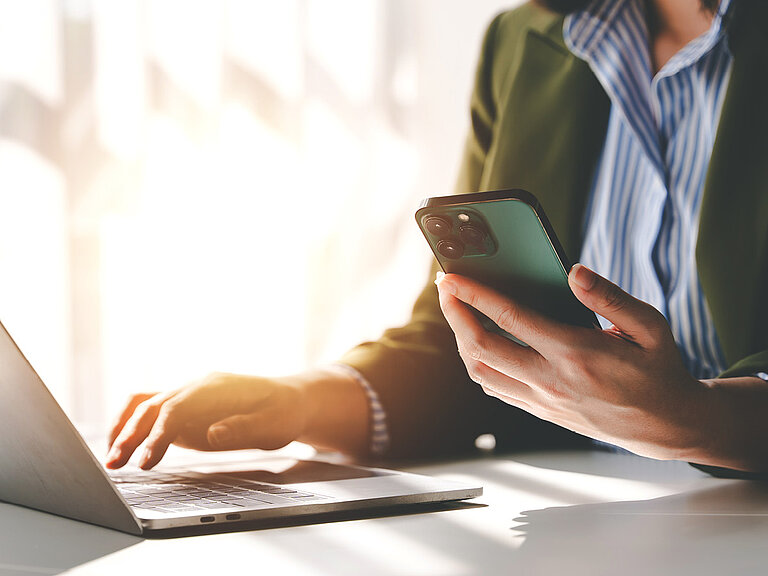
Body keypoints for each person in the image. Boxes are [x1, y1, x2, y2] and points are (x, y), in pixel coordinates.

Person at [107, 0, 768, 476]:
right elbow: (462, 341)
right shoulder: (524, 40)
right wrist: (300, 401)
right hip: (572, 523)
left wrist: (705, 421)